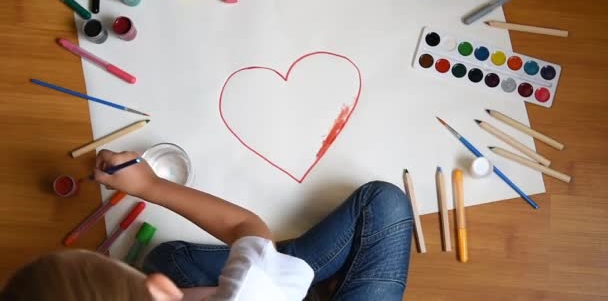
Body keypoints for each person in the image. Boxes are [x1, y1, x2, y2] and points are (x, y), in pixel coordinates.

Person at [1, 150, 414, 301]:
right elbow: (243, 224)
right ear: (158, 289)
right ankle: (295, 275)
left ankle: (291, 272)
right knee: (384, 201)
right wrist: (149, 184)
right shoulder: (251, 295)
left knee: (168, 257)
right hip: (265, 293)